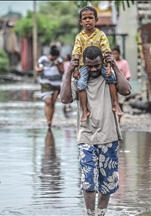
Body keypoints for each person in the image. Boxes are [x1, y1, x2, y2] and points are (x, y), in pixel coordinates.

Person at [60, 46, 131, 216]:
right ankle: (90, 213)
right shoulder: (79, 81)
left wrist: (113, 65)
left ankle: (101, 213)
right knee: (88, 181)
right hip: (86, 137)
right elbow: (64, 98)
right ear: (85, 64)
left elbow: (126, 90)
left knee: (107, 183)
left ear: (102, 63)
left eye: (97, 65)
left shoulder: (110, 78)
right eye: (90, 66)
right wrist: (69, 72)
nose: (93, 69)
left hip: (109, 136)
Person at [72, 6, 123, 122]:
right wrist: (75, 70)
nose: (88, 20)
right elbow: (76, 53)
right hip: (84, 66)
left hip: (102, 64)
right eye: (85, 18)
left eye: (90, 18)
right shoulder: (79, 37)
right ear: (81, 22)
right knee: (81, 84)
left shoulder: (101, 35)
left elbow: (107, 51)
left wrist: (109, 67)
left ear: (96, 20)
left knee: (111, 78)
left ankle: (116, 103)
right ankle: (85, 109)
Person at [35, 46, 64, 127]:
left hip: (56, 83)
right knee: (48, 102)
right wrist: (39, 69)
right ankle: (48, 120)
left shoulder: (59, 60)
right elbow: (36, 67)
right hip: (45, 82)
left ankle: (51, 120)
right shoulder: (42, 59)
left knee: (53, 103)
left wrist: (58, 66)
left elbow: (62, 72)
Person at [112, 46, 131, 124]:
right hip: (112, 86)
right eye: (113, 54)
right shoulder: (110, 63)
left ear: (119, 54)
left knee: (120, 103)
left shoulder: (124, 63)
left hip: (120, 86)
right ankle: (113, 120)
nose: (115, 55)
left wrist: (124, 85)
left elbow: (127, 75)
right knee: (112, 102)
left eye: (116, 53)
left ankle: (119, 120)